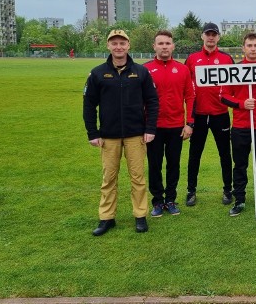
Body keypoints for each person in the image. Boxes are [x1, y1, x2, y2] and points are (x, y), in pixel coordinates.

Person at [83, 29, 159, 236]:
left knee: (138, 177)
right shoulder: (97, 73)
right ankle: (107, 218)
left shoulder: (141, 72)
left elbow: (152, 101)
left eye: (122, 43)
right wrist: (93, 132)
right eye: (114, 43)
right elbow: (89, 105)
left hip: (136, 134)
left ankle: (140, 216)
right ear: (108, 46)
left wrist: (150, 128)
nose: (118, 47)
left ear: (128, 46)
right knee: (109, 178)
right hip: (109, 135)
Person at [220, 33, 256, 216]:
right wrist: (241, 104)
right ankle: (239, 200)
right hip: (240, 127)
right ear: (243, 48)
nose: (252, 48)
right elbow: (223, 96)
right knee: (239, 165)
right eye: (249, 45)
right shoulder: (234, 70)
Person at [144, 30, 195, 217]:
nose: (164, 47)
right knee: (155, 165)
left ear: (173, 46)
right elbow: (140, 100)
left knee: (173, 164)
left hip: (176, 126)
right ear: (154, 46)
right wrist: (144, 126)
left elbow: (190, 96)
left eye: (167, 43)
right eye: (160, 43)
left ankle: (171, 200)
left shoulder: (182, 69)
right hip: (153, 128)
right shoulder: (145, 69)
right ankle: (157, 201)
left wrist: (190, 123)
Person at [184, 22, 234, 207]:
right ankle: (191, 191)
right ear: (202, 36)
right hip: (198, 114)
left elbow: (234, 85)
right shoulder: (192, 59)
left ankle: (228, 190)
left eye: (214, 34)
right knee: (195, 154)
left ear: (218, 37)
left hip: (220, 114)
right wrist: (189, 117)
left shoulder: (226, 58)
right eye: (208, 34)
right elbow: (186, 88)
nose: (211, 37)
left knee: (224, 154)